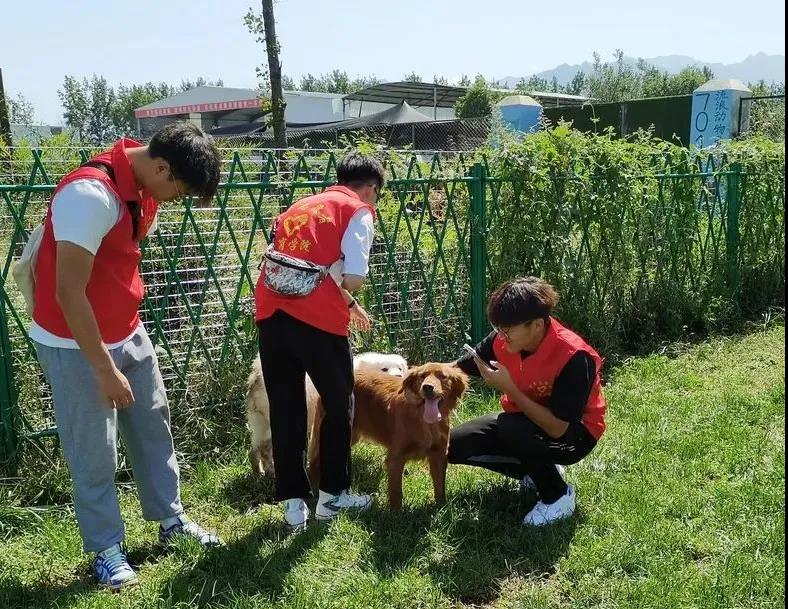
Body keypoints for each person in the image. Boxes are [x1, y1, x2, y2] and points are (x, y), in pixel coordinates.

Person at [30, 122, 223, 590]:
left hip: (127, 329)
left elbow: (117, 261)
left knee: (154, 425)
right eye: (181, 190)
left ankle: (170, 521)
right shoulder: (89, 197)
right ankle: (106, 549)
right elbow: (69, 292)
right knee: (94, 449)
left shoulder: (142, 186)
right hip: (75, 342)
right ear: (162, 168)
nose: (176, 200)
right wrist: (104, 369)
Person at [255, 151, 383, 530]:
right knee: (339, 404)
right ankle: (332, 497)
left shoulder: (299, 207)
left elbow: (305, 267)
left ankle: (293, 506)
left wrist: (350, 305)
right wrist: (349, 291)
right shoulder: (357, 211)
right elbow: (352, 277)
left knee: (286, 408)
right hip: (318, 321)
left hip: (272, 314)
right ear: (371, 189)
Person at [449, 277, 606, 526]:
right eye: (498, 328)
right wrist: (414, 375)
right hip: (523, 421)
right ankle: (537, 469)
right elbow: (459, 367)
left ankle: (557, 496)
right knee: (451, 446)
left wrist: (509, 389)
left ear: (537, 325)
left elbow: (558, 428)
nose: (501, 336)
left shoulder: (574, 356)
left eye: (508, 330)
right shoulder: (503, 339)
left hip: (574, 436)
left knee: (512, 427)